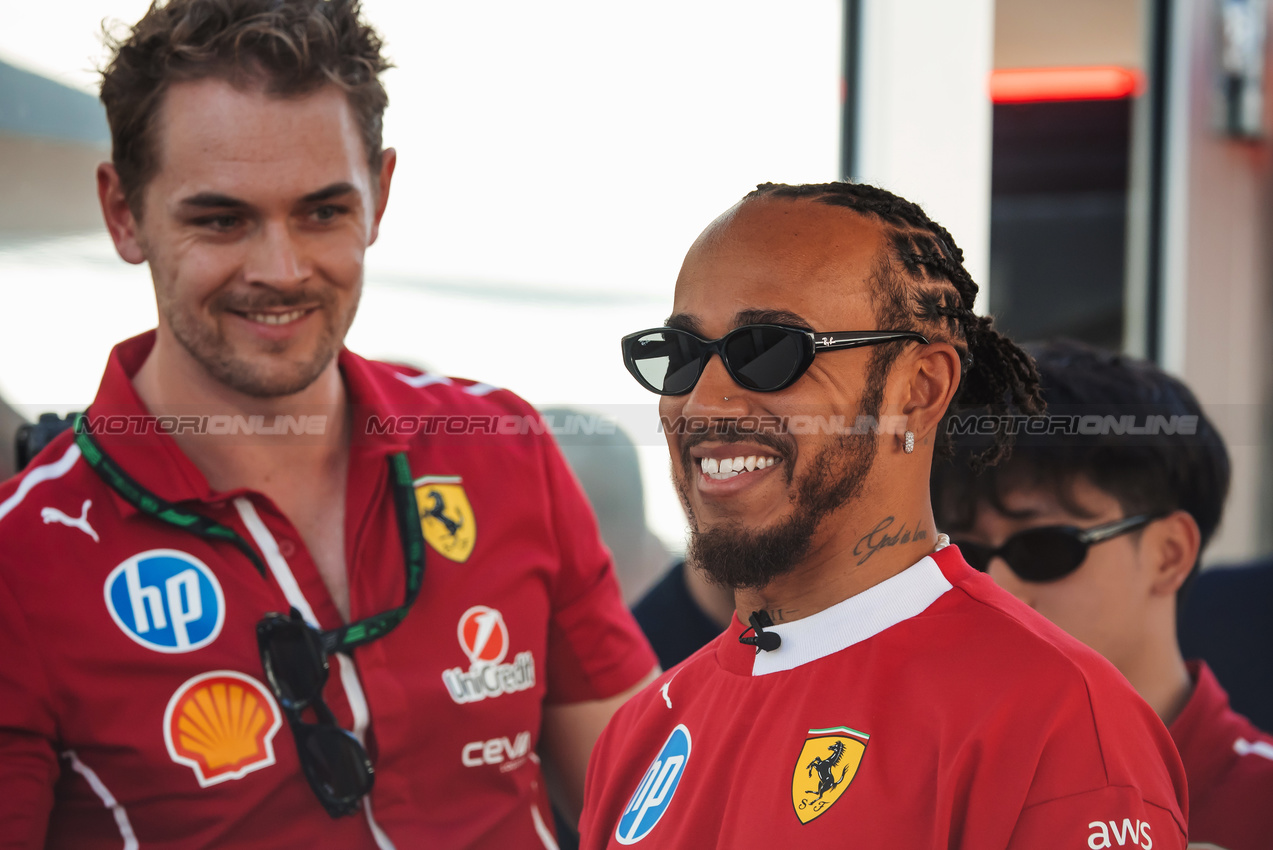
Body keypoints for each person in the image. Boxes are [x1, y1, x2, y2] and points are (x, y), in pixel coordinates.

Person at [0, 2, 657, 847]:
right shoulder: (22, 565)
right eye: (221, 219)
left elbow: (657, 805)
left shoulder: (501, 448)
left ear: (379, 195)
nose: (281, 270)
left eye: (322, 212)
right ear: (123, 213)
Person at [579, 182, 1189, 849]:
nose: (704, 402)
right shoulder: (638, 734)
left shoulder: (1055, 716)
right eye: (683, 356)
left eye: (770, 351)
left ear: (918, 389)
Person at [933, 339, 1273, 850]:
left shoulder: (1259, 807)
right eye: (966, 555)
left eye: (1044, 548)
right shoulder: (916, 783)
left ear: (1168, 554)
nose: (995, 587)